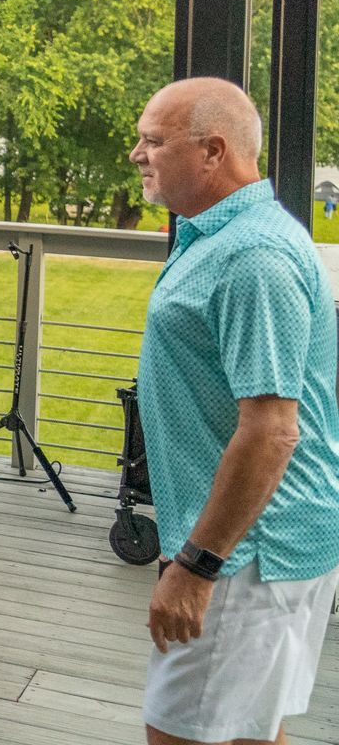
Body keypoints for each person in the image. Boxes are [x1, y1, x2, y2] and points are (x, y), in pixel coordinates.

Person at [130, 77, 339, 745]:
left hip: (250, 553)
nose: (137, 154)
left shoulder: (253, 256)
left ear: (212, 151)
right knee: (249, 732)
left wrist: (197, 567)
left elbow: (273, 431)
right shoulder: (220, 233)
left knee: (181, 736)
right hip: (251, 549)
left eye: (153, 141)